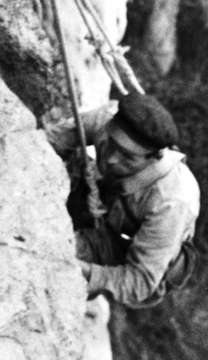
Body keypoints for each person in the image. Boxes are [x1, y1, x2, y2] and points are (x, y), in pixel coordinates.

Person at [47, 92, 199, 307]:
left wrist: (85, 271)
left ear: (154, 157)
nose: (111, 158)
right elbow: (49, 142)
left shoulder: (170, 201)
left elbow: (140, 283)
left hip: (134, 248)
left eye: (127, 156)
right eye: (111, 143)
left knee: (63, 251)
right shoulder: (105, 119)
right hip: (107, 199)